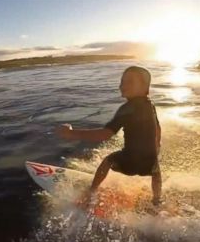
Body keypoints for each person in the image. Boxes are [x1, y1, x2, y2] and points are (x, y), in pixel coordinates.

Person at [56, 66, 162, 206]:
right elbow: (157, 128)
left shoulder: (127, 109)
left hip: (130, 162)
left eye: (129, 82)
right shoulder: (151, 105)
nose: (122, 85)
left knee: (107, 161)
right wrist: (157, 146)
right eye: (122, 81)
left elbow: (105, 134)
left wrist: (71, 133)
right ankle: (157, 200)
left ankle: (91, 192)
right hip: (149, 161)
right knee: (156, 172)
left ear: (145, 87)